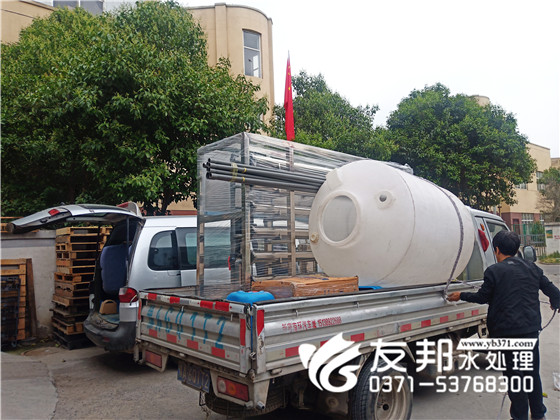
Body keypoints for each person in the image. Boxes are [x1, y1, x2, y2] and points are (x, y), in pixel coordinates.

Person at [447, 230, 560, 420]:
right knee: (531, 372)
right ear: (516, 250)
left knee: (515, 376)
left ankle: (519, 417)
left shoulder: (494, 271)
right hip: (530, 330)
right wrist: (555, 303)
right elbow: (555, 292)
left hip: (506, 333)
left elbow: (482, 297)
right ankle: (539, 414)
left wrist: (461, 295)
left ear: (497, 249)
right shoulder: (532, 268)